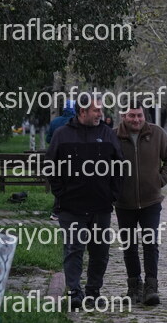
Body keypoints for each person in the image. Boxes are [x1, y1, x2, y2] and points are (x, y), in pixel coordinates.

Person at [45, 94, 123, 310]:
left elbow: (119, 166)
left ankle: (93, 291)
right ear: (82, 112)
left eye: (101, 110)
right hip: (71, 207)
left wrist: (112, 194)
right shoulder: (62, 135)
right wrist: (61, 193)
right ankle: (74, 291)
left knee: (100, 252)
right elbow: (50, 166)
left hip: (101, 206)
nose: (101, 114)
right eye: (96, 110)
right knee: (73, 250)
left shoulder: (107, 134)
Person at [114, 105, 167, 305]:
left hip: (151, 201)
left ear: (144, 115)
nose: (136, 119)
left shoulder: (156, 133)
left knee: (150, 244)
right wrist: (114, 187)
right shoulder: (113, 136)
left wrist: (160, 180)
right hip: (124, 202)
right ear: (123, 116)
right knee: (129, 246)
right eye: (131, 115)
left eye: (139, 115)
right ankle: (134, 287)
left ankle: (151, 287)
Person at [46, 99, 76, 221]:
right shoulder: (76, 122)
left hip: (57, 157)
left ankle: (56, 211)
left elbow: (48, 139)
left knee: (60, 182)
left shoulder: (55, 122)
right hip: (73, 157)